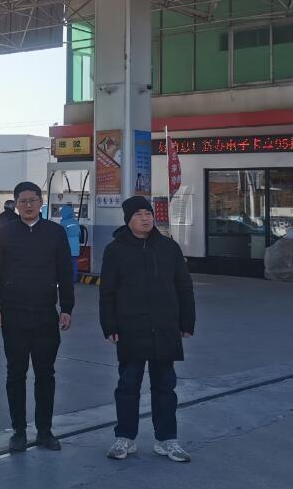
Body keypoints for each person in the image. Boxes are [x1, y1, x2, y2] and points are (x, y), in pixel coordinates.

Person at [99, 196, 196, 463]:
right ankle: (125, 438)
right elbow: (107, 292)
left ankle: (167, 440)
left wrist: (187, 321)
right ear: (128, 219)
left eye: (148, 213)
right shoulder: (115, 250)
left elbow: (184, 286)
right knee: (128, 385)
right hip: (130, 327)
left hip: (164, 327)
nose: (145, 218)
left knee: (165, 386)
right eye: (139, 214)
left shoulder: (168, 247)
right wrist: (109, 325)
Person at [0, 181, 75, 453]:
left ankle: (45, 431)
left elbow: (65, 273)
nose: (28, 205)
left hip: (45, 315)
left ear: (41, 202)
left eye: (33, 200)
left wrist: (67, 308)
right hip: (13, 314)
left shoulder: (55, 233)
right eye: (22, 201)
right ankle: (19, 431)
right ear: (15, 204)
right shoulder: (6, 233)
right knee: (16, 373)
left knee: (45, 373)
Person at [59, 202, 80, 277]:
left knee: (65, 263)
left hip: (67, 245)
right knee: (74, 263)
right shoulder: (76, 222)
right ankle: (74, 277)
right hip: (75, 245)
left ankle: (66, 277)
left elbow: (62, 235)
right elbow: (79, 233)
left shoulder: (63, 222)